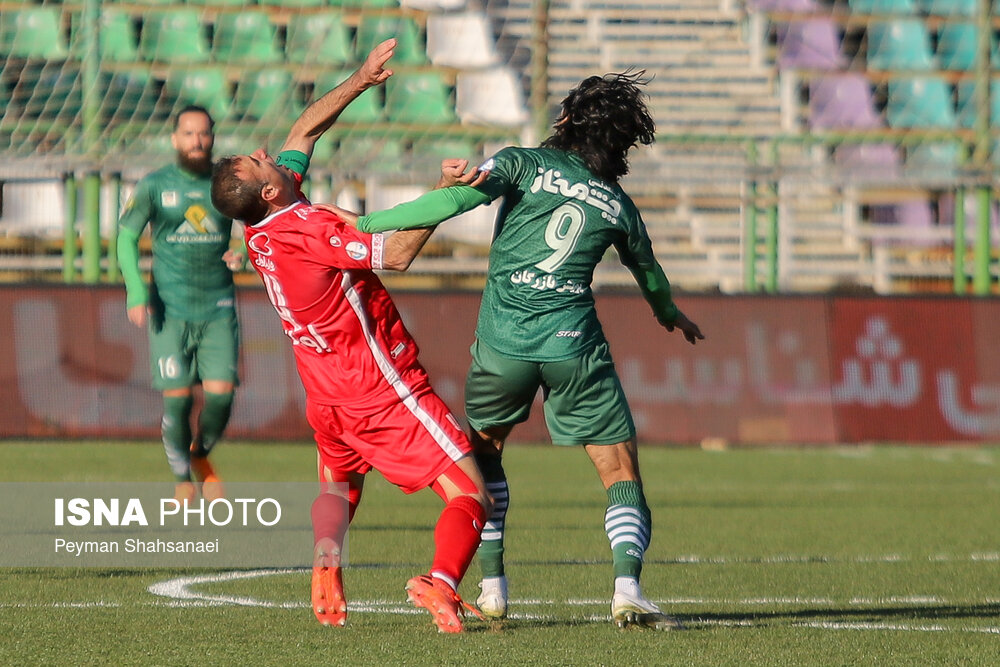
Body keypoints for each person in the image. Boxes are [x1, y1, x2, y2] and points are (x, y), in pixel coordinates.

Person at [329, 70, 705, 630]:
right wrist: (670, 315)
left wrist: (365, 225)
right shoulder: (618, 205)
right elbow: (650, 275)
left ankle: (493, 585)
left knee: (484, 461)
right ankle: (627, 588)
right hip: (573, 345)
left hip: (503, 345)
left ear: (569, 120)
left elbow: (455, 200)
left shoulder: (522, 163)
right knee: (618, 468)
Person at [209, 39, 492, 634]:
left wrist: (362, 79)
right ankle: (440, 584)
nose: (267, 152)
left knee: (341, 480)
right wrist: (445, 196)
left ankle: (325, 564)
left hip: (325, 393)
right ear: (268, 191)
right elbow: (396, 254)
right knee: (472, 493)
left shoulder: (263, 230)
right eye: (261, 162)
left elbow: (304, 130)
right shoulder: (311, 228)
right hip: (380, 387)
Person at [117, 105, 244, 503]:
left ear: (213, 137)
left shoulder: (227, 185)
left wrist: (241, 250)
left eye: (204, 133)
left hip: (217, 306)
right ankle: (182, 477)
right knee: (179, 398)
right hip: (169, 309)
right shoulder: (154, 186)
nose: (197, 141)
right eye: (188, 134)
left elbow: (251, 228)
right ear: (175, 139)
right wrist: (136, 291)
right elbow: (124, 238)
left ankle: (199, 454)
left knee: (221, 396)